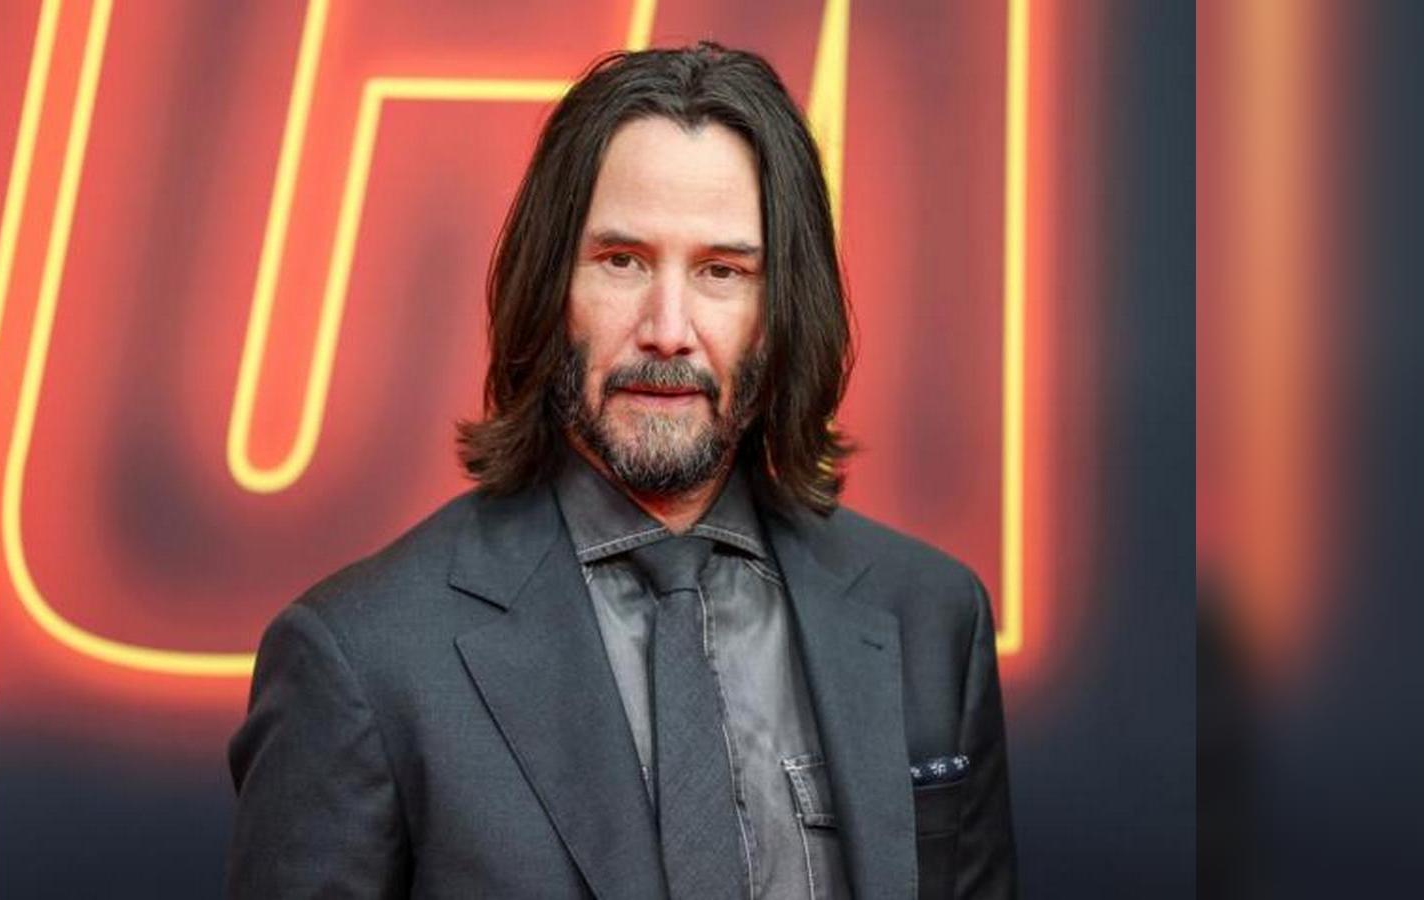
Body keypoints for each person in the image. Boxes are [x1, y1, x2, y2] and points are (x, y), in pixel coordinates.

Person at [227, 42, 1017, 900]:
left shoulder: (931, 618)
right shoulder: (361, 656)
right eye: (622, 261)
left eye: (721, 272)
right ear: (548, 286)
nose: (666, 329)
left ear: (783, 308)